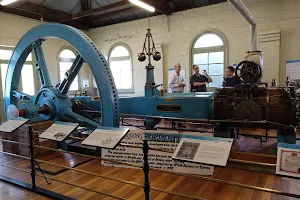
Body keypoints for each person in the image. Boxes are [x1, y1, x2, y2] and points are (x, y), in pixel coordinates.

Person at [169, 63, 186, 128]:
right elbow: (170, 85)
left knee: (181, 109)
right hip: (175, 94)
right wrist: (178, 85)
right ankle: (173, 124)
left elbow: (184, 82)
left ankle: (180, 123)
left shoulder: (181, 75)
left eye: (180, 66)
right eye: (179, 66)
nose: (180, 68)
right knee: (174, 109)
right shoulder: (172, 75)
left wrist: (183, 84)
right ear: (175, 67)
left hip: (181, 93)